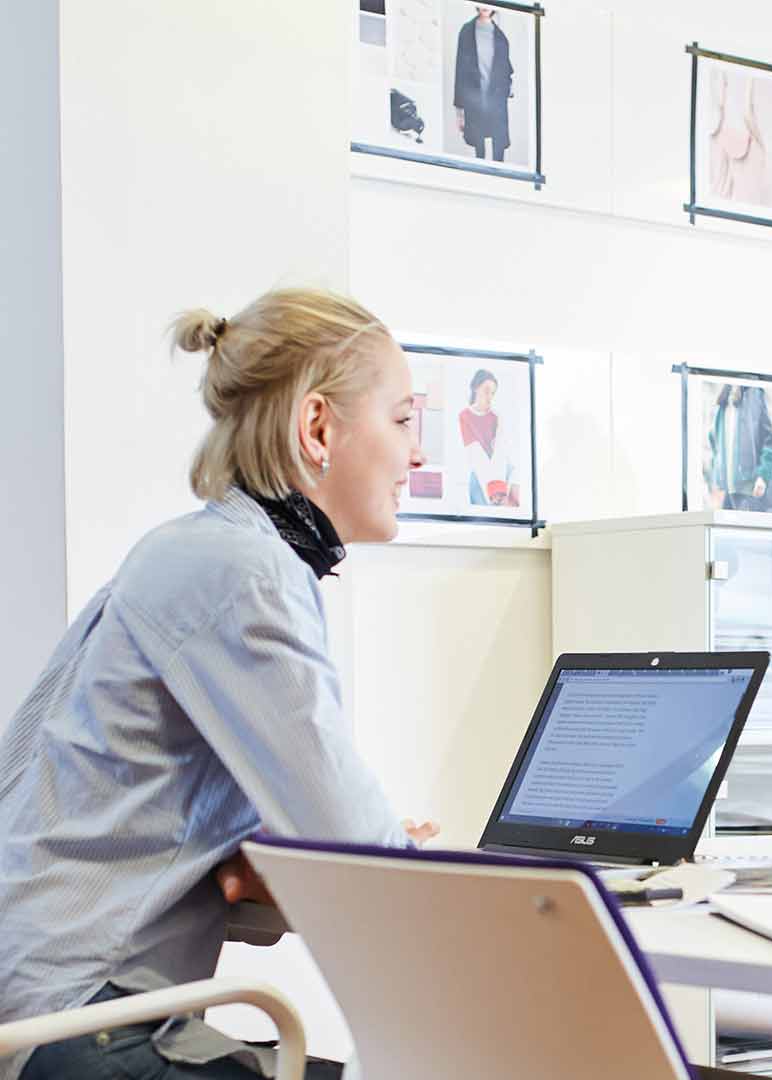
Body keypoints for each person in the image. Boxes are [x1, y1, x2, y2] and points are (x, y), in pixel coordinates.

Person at [0, 289, 438, 1080]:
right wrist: (399, 857)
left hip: (40, 1005)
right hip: (87, 1026)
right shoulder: (250, 574)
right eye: (404, 420)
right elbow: (356, 847)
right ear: (317, 429)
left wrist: (238, 849)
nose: (418, 456)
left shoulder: (188, 550)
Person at [453, 5, 513, 162]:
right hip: (474, 97)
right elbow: (460, 70)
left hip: (496, 99)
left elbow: (507, 68)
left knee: (498, 143)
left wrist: (509, 88)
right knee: (479, 147)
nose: (485, 7)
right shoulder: (466, 32)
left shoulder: (500, 36)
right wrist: (460, 113)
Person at [704, 384, 772, 512]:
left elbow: (770, 441)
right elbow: (714, 442)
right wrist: (716, 481)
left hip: (750, 490)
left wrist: (763, 476)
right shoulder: (723, 401)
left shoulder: (754, 393)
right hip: (726, 492)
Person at [460, 368, 514, 506]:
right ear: (475, 388)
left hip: (500, 472)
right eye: (486, 391)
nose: (490, 397)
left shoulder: (496, 417)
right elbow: (474, 452)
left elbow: (501, 452)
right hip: (479, 474)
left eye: (493, 393)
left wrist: (499, 490)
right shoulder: (464, 416)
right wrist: (492, 491)